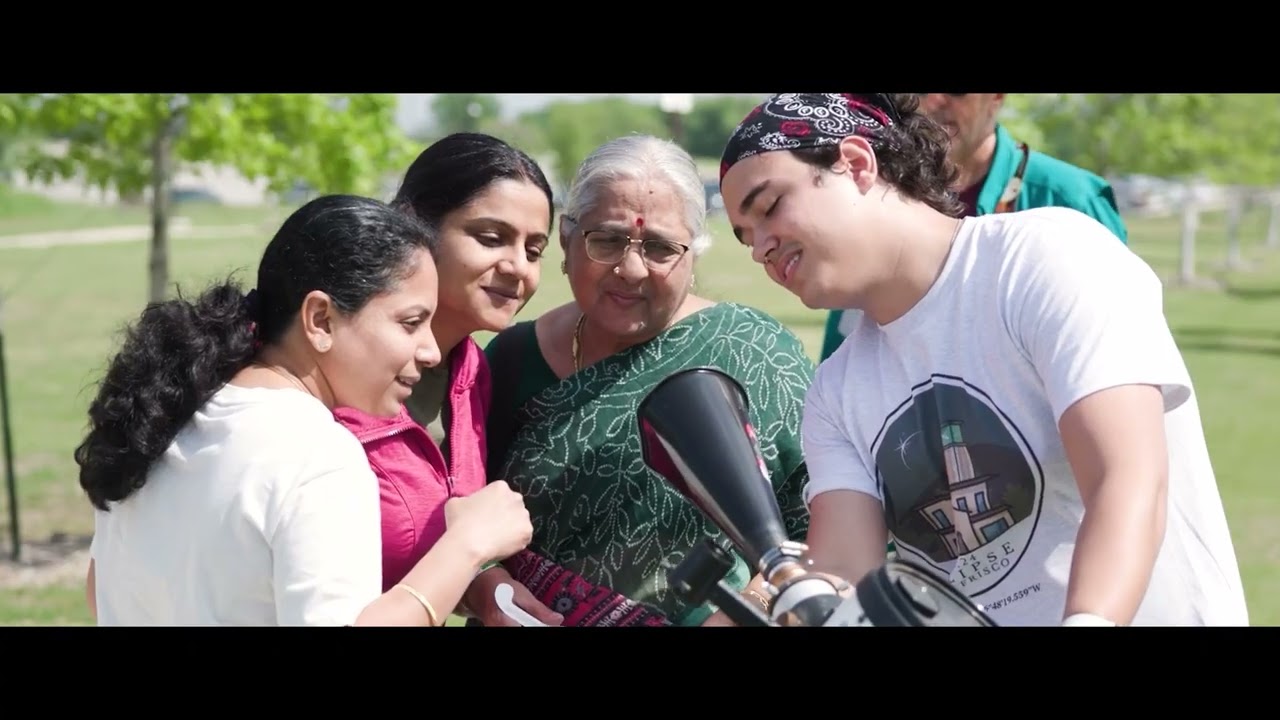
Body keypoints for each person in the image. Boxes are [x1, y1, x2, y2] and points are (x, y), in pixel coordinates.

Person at [718, 93, 1250, 627]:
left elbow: (1126, 477)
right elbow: (842, 577)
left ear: (856, 164)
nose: (762, 246)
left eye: (768, 207)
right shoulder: (834, 390)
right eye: (746, 238)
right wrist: (770, 602)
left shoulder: (1047, 257)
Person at [78, 193, 534, 626]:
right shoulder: (318, 455)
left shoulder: (164, 414)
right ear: (320, 319)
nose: (431, 351)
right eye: (410, 323)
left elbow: (100, 590)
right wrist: (468, 545)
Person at [482, 134, 815, 627]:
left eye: (659, 247)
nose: (631, 268)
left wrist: (751, 607)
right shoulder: (512, 358)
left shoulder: (755, 352)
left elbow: (826, 519)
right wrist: (485, 585)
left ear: (694, 256)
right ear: (569, 240)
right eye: (608, 240)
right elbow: (457, 509)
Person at [333, 132, 564, 627]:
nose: (517, 267)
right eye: (490, 237)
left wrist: (481, 586)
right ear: (415, 225)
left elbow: (418, 550)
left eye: (535, 249)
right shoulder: (331, 365)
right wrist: (470, 548)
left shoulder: (472, 370)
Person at [819, 92, 1130, 362]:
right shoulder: (876, 193)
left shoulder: (1070, 198)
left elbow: (1120, 340)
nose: (934, 101)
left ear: (996, 98)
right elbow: (846, 344)